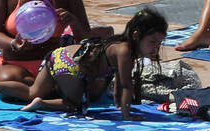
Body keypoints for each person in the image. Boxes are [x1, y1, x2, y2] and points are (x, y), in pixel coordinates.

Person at [19, 7, 168, 118]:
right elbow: (125, 85)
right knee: (77, 105)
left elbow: (117, 79)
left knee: (32, 91)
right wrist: (126, 114)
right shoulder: (126, 52)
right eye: (152, 42)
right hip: (70, 66)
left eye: (159, 43)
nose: (155, 47)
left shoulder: (119, 43)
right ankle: (42, 104)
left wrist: (117, 102)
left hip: (59, 55)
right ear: (136, 35)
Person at [0, 0, 103, 102]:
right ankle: (54, 89)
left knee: (91, 86)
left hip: (53, 64)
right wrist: (13, 43)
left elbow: (86, 39)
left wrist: (74, 22)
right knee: (6, 80)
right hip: (15, 64)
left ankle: (35, 90)